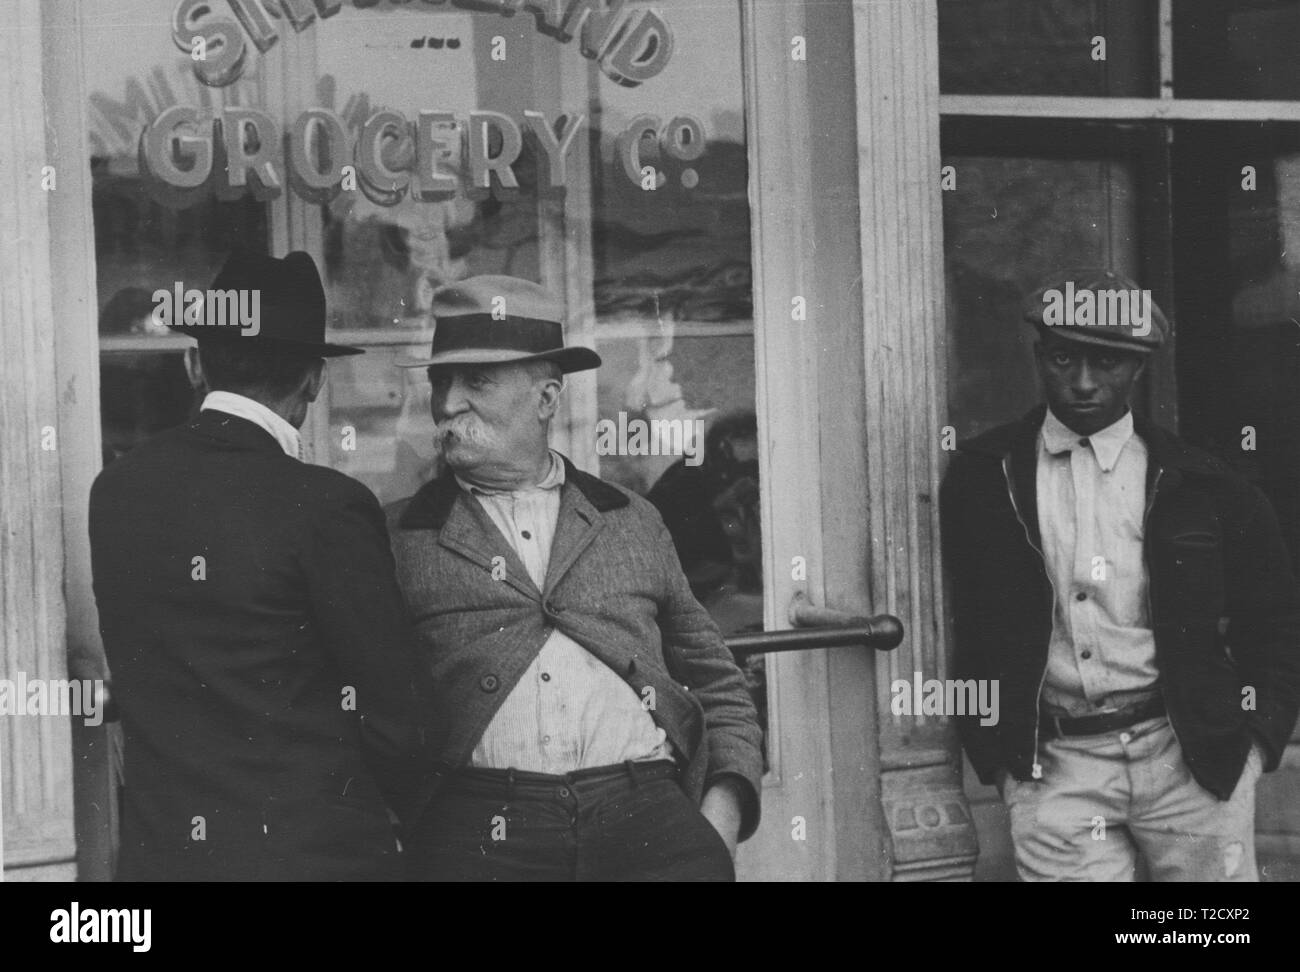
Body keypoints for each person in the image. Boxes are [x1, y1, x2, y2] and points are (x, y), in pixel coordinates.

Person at [386, 275, 763, 881]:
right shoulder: (399, 537)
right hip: (479, 838)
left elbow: (719, 687)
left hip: (649, 823)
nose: (449, 402)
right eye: (440, 381)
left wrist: (716, 825)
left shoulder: (630, 520)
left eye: (477, 381)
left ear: (546, 398)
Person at [941, 268, 1300, 882]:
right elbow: (968, 623)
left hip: (1189, 760)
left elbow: (1275, 623)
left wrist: (1258, 745)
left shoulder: (1204, 484)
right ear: (1038, 357)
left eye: (1107, 363)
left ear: (1138, 368)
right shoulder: (983, 476)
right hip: (1055, 767)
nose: (1083, 383)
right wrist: (1000, 763)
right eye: (1063, 358)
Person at [89, 249, 435, 881]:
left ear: (196, 364)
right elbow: (398, 716)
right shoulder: (329, 507)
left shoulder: (115, 491)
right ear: (314, 380)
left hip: (162, 864)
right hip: (312, 861)